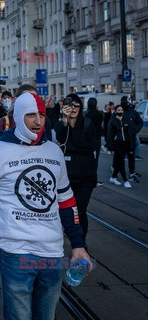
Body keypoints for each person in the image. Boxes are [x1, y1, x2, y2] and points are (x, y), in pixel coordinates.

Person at [0, 92, 92, 320]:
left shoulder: (54, 151)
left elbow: (66, 201)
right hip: (16, 251)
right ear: (18, 116)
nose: (38, 121)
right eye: (30, 115)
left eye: (41, 115)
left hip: (53, 253)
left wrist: (78, 244)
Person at [55, 93, 97, 246]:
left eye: (76, 105)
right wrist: (65, 121)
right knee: (66, 210)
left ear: (81, 107)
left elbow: (88, 146)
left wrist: (71, 146)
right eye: (69, 105)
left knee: (79, 210)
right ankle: (67, 236)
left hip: (86, 176)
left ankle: (81, 242)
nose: (73, 109)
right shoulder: (62, 124)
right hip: (66, 176)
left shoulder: (87, 123)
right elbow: (60, 137)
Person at [106, 104, 134, 189]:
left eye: (121, 110)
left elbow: (129, 135)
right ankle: (126, 181)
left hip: (124, 144)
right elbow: (109, 135)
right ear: (115, 111)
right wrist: (110, 147)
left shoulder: (126, 121)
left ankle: (113, 177)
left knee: (118, 162)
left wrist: (131, 147)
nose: (120, 111)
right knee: (121, 162)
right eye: (118, 110)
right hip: (116, 144)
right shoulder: (112, 121)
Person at [120, 96, 143, 182]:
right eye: (123, 102)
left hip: (131, 139)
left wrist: (135, 130)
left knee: (131, 156)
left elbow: (140, 122)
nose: (124, 104)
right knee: (120, 157)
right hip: (120, 140)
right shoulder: (119, 112)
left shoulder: (133, 113)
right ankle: (115, 171)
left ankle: (131, 173)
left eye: (125, 102)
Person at [84, 97, 104, 186]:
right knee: (95, 160)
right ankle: (94, 179)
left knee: (86, 159)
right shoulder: (99, 114)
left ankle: (86, 178)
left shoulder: (85, 114)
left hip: (87, 138)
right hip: (96, 139)